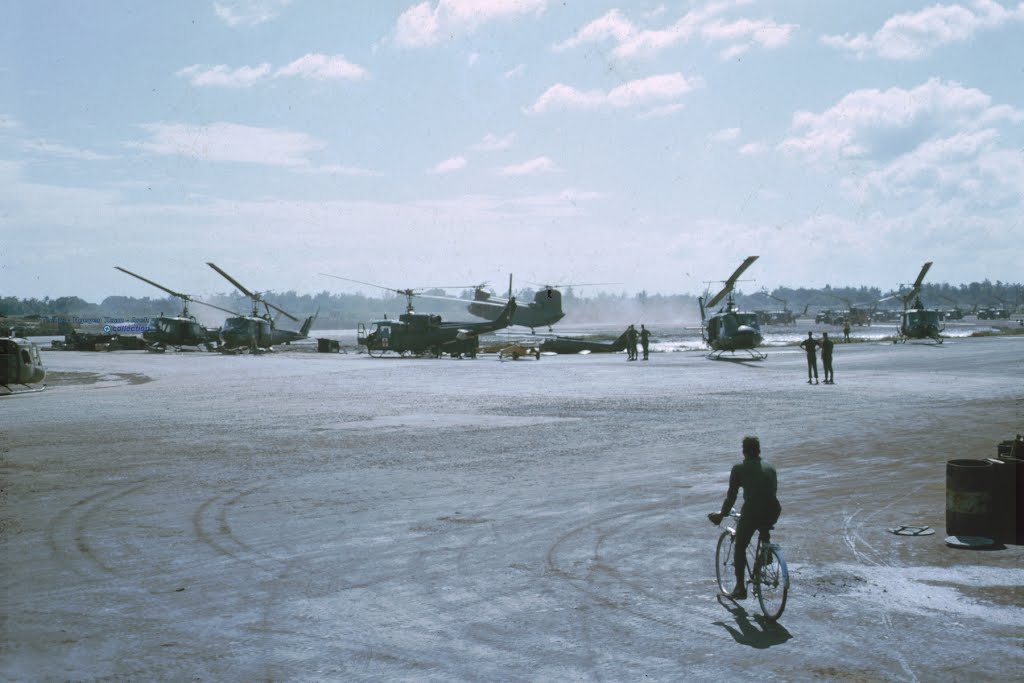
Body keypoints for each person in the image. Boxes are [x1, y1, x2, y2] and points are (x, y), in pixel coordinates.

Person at [708, 436, 781, 600]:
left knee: (740, 546)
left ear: (743, 451)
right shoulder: (770, 467)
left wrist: (721, 515)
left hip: (752, 511)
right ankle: (766, 552)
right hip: (773, 510)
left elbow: (731, 496)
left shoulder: (739, 468)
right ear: (759, 450)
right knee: (764, 525)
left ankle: (740, 589)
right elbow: (771, 492)